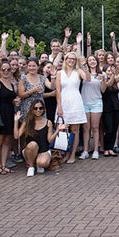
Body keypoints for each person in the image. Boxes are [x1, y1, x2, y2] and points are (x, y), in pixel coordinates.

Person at [54, 33, 88, 163]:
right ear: (66, 59)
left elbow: (87, 78)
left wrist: (83, 65)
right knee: (62, 129)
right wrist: (60, 106)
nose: (71, 60)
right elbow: (58, 90)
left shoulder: (78, 72)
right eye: (69, 58)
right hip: (63, 102)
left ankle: (73, 154)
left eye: (74, 59)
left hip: (75, 102)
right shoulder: (59, 73)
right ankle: (64, 153)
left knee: (75, 130)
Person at [0, 52, 21, 174]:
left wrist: (15, 101)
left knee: (7, 141)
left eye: (8, 69)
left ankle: (3, 164)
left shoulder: (13, 84)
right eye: (3, 69)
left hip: (10, 113)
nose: (6, 71)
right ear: (0, 70)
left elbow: (11, 99)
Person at [14, 102, 60, 177]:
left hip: (43, 150)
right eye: (35, 108)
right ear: (32, 110)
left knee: (42, 163)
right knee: (33, 144)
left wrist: (57, 130)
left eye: (40, 108)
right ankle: (31, 166)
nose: (38, 110)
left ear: (43, 109)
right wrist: (16, 121)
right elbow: (16, 136)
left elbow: (49, 140)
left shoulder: (48, 122)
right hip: (30, 150)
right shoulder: (27, 121)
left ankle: (38, 163)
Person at [79, 54, 103, 160]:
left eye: (94, 60)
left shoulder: (102, 74)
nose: (92, 61)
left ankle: (96, 151)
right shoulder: (83, 73)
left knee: (95, 127)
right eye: (90, 60)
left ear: (97, 61)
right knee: (86, 128)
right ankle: (85, 150)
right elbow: (86, 80)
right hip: (85, 103)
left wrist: (103, 80)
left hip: (96, 103)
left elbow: (103, 90)